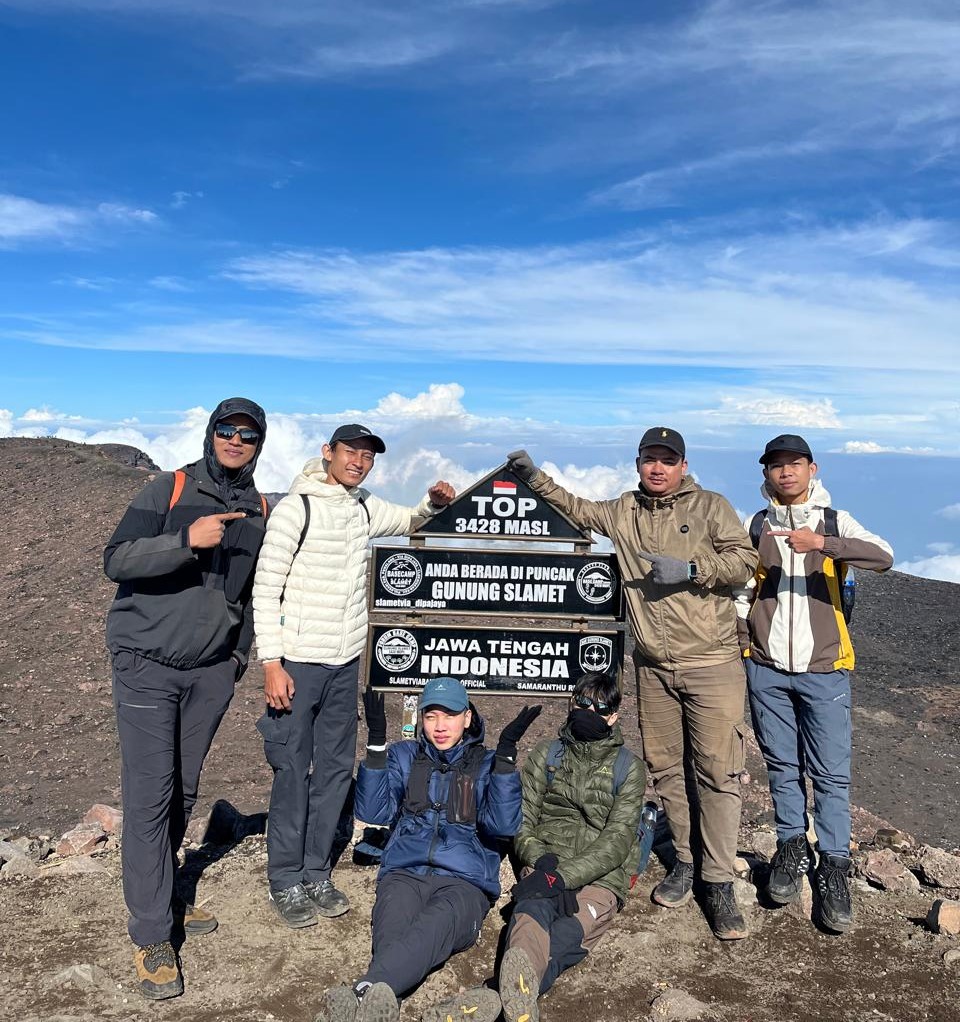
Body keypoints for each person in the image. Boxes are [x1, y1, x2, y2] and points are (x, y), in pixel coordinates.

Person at [507, 430, 758, 940]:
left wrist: (693, 568)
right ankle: (685, 860)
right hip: (652, 666)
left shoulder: (711, 506)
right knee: (667, 769)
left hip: (711, 662)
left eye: (667, 460)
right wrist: (534, 478)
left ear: (683, 465)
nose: (658, 468)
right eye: (650, 459)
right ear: (638, 463)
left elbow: (746, 560)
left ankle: (718, 880)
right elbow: (579, 509)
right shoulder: (624, 511)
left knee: (717, 771)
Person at [252, 424, 456, 928]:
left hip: (345, 663)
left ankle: (317, 871)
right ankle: (285, 878)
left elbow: (410, 518)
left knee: (335, 770)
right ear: (328, 452)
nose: (359, 462)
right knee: (292, 771)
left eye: (367, 456)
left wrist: (431, 503)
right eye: (351, 452)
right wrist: (272, 662)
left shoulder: (364, 507)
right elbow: (266, 587)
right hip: (297, 662)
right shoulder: (295, 510)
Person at [103, 397, 269, 999]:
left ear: (258, 445)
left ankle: (165, 892)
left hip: (209, 673)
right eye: (227, 429)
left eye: (248, 434)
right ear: (210, 433)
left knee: (185, 790)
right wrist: (184, 540)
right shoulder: (168, 488)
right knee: (151, 795)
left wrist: (236, 659)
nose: (235, 440)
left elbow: (250, 595)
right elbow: (116, 560)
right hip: (146, 664)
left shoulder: (259, 509)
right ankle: (151, 935)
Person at [734, 434, 893, 932]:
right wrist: (746, 643)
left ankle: (835, 866)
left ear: (812, 469)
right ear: (766, 473)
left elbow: (884, 555)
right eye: (776, 465)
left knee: (830, 775)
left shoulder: (833, 521)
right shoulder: (757, 525)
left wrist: (822, 544)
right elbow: (742, 590)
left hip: (825, 669)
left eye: (794, 464)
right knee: (782, 766)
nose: (785, 472)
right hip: (767, 668)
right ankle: (791, 848)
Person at [314, 677, 540, 1022]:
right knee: (393, 936)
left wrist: (506, 760)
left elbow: (503, 826)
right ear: (421, 719)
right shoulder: (406, 756)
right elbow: (374, 812)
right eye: (431, 716)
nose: (440, 726)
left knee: (428, 930)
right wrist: (376, 745)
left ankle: (361, 992)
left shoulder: (487, 763)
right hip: (404, 873)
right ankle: (378, 1006)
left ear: (467, 717)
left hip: (464, 885)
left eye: (449, 716)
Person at [428, 672, 645, 1022]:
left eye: (601, 708)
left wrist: (564, 877)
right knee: (531, 913)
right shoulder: (547, 754)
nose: (590, 712)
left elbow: (617, 841)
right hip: (545, 861)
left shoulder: (628, 767)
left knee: (566, 935)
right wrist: (541, 862)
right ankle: (515, 1003)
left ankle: (493, 997)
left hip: (600, 878)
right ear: (571, 704)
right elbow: (523, 819)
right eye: (583, 703)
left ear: (613, 716)